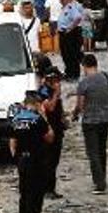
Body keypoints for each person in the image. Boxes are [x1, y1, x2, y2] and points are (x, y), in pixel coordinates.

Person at [9, 90, 56, 213]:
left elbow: (13, 142)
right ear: (36, 104)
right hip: (36, 161)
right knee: (35, 201)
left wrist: (17, 159)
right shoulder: (37, 119)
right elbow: (50, 137)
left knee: (24, 198)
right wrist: (44, 116)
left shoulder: (15, 119)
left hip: (22, 161)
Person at [72, 54, 108, 194]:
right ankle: (103, 176)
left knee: (93, 152)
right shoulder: (104, 78)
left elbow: (80, 104)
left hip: (90, 121)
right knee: (101, 150)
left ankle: (99, 183)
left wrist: (75, 114)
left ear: (84, 65)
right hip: (105, 119)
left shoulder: (84, 83)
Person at [39, 67, 66, 199]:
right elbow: (50, 107)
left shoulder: (53, 90)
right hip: (48, 130)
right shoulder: (43, 91)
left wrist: (63, 118)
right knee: (49, 160)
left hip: (57, 129)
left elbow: (58, 108)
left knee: (54, 160)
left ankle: (51, 187)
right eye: (56, 80)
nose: (58, 83)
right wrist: (56, 93)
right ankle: (47, 188)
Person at [57, 0, 84, 80]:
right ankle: (69, 72)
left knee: (71, 55)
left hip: (70, 34)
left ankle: (74, 74)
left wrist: (69, 28)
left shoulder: (71, 7)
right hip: (64, 33)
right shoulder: (64, 7)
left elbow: (78, 18)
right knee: (65, 55)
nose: (61, 0)